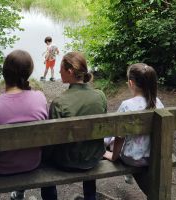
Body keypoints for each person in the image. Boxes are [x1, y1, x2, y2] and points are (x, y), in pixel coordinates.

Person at [0, 50, 48, 200]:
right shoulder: (40, 99)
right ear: (29, 73)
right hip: (32, 163)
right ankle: (19, 193)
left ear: (4, 73)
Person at [41, 52, 107, 200]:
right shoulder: (100, 96)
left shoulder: (60, 102)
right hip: (93, 158)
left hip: (67, 161)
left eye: (61, 69)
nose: (58, 72)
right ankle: (90, 197)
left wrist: (43, 156)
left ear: (70, 72)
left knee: (44, 161)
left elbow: (53, 140)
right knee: (88, 142)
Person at [103, 63, 164, 184]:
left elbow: (119, 137)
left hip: (131, 158)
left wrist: (113, 157)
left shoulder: (127, 105)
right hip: (150, 156)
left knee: (112, 136)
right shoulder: (158, 103)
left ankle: (128, 172)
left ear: (131, 83)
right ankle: (129, 175)